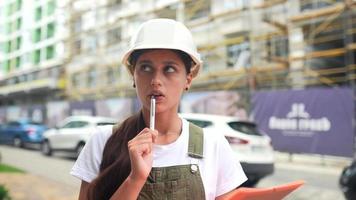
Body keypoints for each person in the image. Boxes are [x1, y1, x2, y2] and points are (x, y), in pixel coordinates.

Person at [70, 18, 247, 200]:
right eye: (145, 68)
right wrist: (135, 178)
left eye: (169, 69)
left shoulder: (213, 145)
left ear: (188, 79)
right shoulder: (104, 141)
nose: (156, 80)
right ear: (133, 76)